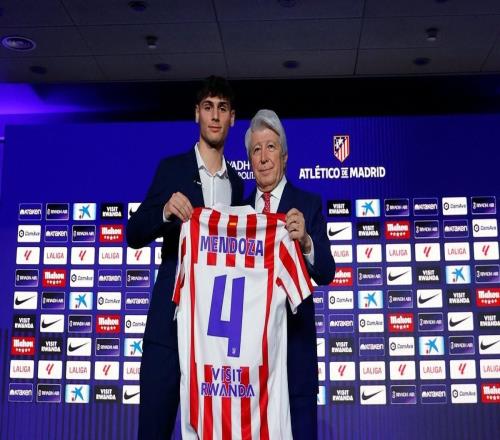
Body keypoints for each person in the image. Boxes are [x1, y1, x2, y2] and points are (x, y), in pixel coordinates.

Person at [126, 76, 244, 439]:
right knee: (154, 432)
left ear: (232, 118)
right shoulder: (172, 168)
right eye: (208, 107)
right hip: (168, 327)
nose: (215, 116)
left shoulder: (238, 185)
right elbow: (134, 233)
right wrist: (164, 212)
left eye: (222, 108)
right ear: (197, 114)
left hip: (215, 336)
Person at [244, 109, 335, 440]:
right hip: (248, 368)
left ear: (284, 156)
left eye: (270, 147)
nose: (264, 157)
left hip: (295, 363)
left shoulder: (308, 204)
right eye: (256, 149)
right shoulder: (237, 213)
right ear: (249, 161)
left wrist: (307, 241)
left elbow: (326, 271)